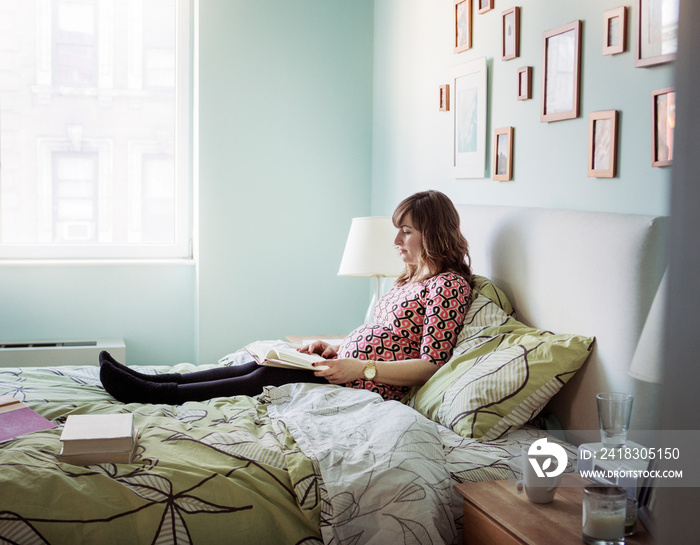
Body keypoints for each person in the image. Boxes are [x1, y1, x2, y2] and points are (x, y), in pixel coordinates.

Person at [99, 190, 474, 404]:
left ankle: (154, 394)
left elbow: (430, 363)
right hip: (346, 367)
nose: (395, 241)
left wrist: (359, 367)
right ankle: (158, 381)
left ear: (432, 232)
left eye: (405, 232)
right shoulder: (408, 280)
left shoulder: (448, 285)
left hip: (372, 383)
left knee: (266, 373)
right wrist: (335, 349)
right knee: (253, 365)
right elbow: (383, 337)